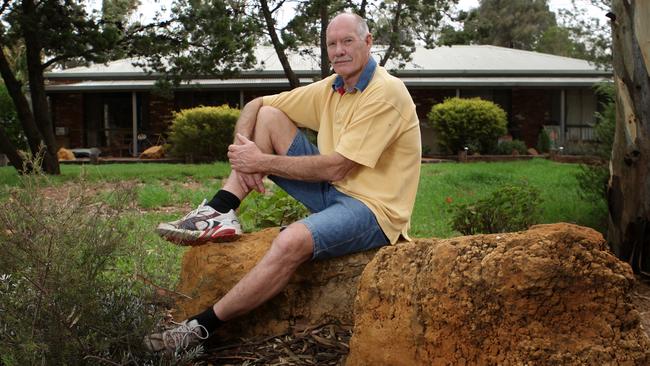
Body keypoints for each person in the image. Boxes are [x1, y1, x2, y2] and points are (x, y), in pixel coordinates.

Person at [145, 12, 421, 353]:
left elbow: (338, 167)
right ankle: (221, 208)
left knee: (290, 242)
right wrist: (242, 150)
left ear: (368, 42)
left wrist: (259, 162)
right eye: (332, 44)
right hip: (333, 194)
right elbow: (257, 105)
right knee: (269, 116)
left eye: (347, 41)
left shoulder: (385, 92)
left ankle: (198, 330)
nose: (339, 51)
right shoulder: (333, 87)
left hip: (374, 210)